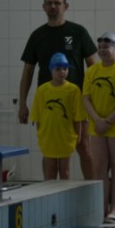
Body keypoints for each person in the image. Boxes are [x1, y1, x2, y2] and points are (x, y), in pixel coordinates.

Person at [20, 0, 97, 180]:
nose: (53, 6)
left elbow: (93, 68)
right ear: (44, 7)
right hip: (48, 101)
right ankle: (50, 191)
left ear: (65, 6)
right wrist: (23, 104)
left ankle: (94, 191)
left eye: (57, 3)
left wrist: (92, 100)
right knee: (49, 148)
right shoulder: (37, 35)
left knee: (83, 145)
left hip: (75, 100)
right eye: (49, 3)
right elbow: (28, 71)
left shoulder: (78, 32)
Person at [82, 33, 115, 224]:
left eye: (106, 47)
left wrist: (108, 121)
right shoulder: (92, 71)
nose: (102, 50)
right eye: (100, 47)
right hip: (97, 126)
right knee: (99, 167)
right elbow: (86, 98)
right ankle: (102, 207)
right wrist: (97, 120)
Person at [30, 52, 86, 180]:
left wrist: (78, 136)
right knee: (50, 171)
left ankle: (65, 193)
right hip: (48, 137)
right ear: (51, 70)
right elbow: (37, 116)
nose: (62, 72)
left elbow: (78, 116)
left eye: (65, 69)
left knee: (65, 171)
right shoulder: (42, 90)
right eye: (58, 69)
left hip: (66, 137)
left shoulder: (73, 90)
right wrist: (40, 134)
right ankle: (50, 193)